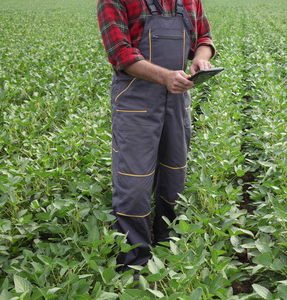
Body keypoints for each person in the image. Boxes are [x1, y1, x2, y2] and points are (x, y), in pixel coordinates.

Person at [97, 0, 215, 274]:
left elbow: (205, 37)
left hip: (177, 100)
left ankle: (167, 252)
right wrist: (166, 77)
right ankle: (133, 264)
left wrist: (201, 57)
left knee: (174, 177)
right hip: (135, 100)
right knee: (134, 185)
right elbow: (120, 54)